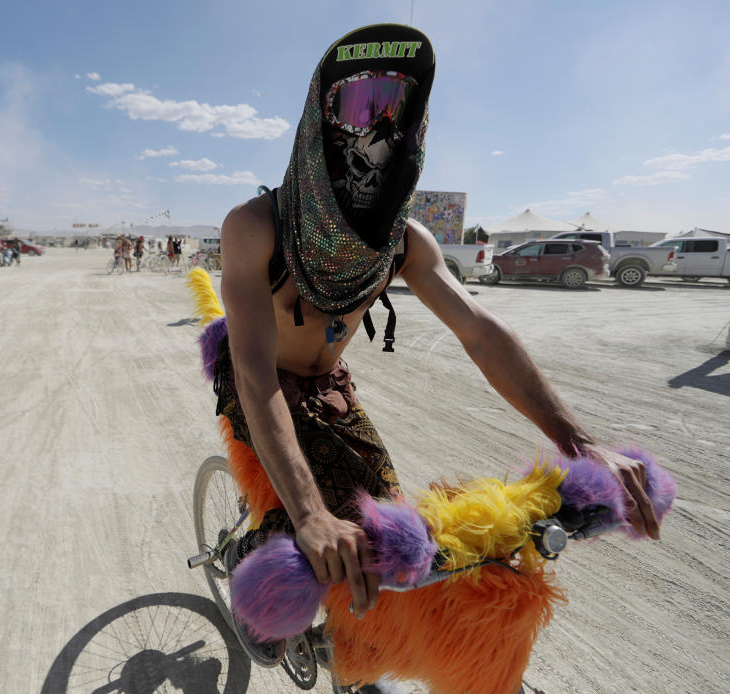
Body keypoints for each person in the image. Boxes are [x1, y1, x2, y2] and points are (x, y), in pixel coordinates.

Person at [215, 22, 660, 681]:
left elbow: (479, 331)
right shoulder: (254, 227)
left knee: (392, 538)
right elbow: (254, 372)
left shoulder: (403, 240)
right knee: (299, 532)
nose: (377, 128)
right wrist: (307, 514)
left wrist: (578, 442)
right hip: (261, 384)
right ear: (317, 119)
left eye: (399, 109)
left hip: (327, 382)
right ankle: (250, 570)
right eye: (360, 104)